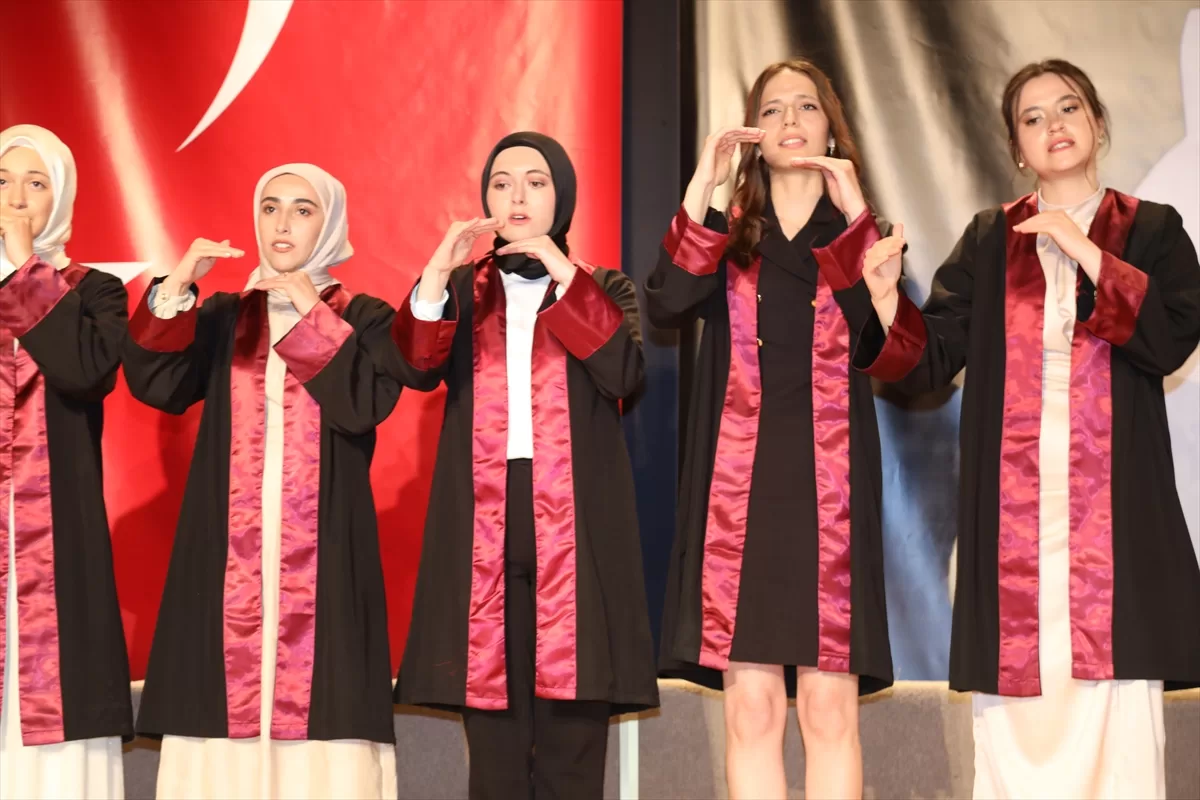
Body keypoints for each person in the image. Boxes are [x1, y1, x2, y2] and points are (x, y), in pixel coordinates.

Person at [858, 59, 1200, 799]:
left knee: (1117, 711)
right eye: (1032, 118)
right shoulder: (991, 238)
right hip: (1016, 516)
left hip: (1115, 514)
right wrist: (886, 302)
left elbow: (1171, 338)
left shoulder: (1154, 229)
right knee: (1021, 710)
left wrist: (1086, 251)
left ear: (1098, 123)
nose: (1054, 126)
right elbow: (930, 358)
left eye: (1068, 108)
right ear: (1017, 148)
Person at [649, 60, 895, 800]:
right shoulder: (725, 235)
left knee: (828, 709)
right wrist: (704, 184)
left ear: (831, 128)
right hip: (738, 494)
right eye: (773, 108)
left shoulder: (860, 234)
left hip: (829, 492)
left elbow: (894, 351)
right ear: (753, 133)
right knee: (750, 710)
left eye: (807, 106)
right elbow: (667, 304)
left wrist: (858, 218)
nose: (790, 119)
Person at [390, 132, 658, 800]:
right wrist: (434, 273)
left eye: (536, 182)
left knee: (573, 739)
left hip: (578, 524)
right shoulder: (460, 289)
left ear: (561, 196)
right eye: (502, 183)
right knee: (495, 744)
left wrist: (566, 275)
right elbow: (414, 366)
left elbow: (624, 373)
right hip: (485, 520)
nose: (517, 196)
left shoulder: (602, 285)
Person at [123, 164, 400, 800]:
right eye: (271, 207)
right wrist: (177, 287)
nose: (282, 223)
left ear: (329, 223)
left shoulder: (363, 316)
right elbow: (157, 382)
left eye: (303, 210)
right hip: (229, 546)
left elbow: (362, 405)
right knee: (223, 693)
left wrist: (308, 309)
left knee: (322, 696)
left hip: (325, 543)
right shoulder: (225, 315)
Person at [0, 124, 132, 800]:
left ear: (62, 197)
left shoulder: (94, 291)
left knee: (55, 694)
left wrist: (26, 269)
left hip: (55, 534)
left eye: (36, 183)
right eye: (3, 181)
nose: (16, 199)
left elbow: (83, 372)